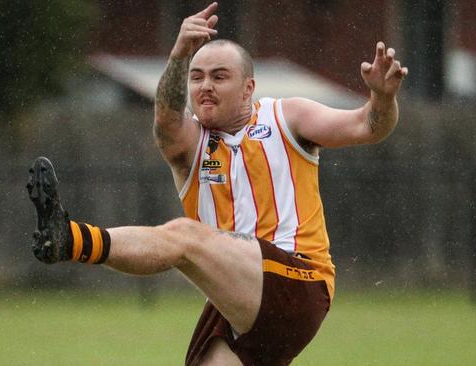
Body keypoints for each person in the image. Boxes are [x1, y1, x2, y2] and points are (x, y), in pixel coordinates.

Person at [27, 2, 408, 365]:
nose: (205, 86)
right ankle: (69, 240)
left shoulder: (286, 117)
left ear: (248, 88)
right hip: (237, 301)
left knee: (185, 236)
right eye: (197, 77)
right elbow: (166, 119)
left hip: (300, 281)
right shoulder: (190, 144)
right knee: (190, 242)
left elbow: (367, 125)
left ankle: (71, 239)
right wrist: (178, 56)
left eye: (219, 76)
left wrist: (382, 98)